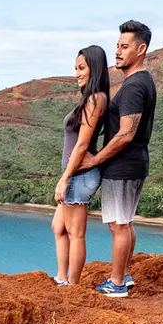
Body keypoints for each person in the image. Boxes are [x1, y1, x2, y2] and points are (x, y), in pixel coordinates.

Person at [79, 20, 157, 298]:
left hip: (122, 166)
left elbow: (125, 134)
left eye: (124, 47)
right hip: (135, 163)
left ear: (141, 49)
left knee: (118, 225)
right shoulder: (143, 81)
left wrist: (95, 160)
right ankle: (123, 275)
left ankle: (117, 284)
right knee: (126, 222)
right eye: (117, 46)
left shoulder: (134, 86)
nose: (117, 52)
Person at [51, 45, 110, 286]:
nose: (77, 73)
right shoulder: (90, 99)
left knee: (76, 234)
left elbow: (82, 143)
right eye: (76, 68)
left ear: (94, 68)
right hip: (76, 174)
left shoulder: (96, 99)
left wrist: (65, 178)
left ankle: (72, 286)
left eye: (82, 68)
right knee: (58, 227)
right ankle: (62, 278)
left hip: (79, 175)